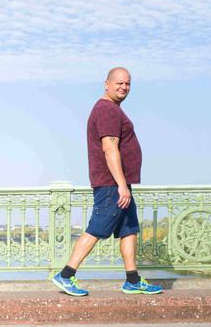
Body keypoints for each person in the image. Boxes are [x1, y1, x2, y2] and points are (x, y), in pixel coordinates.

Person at [51, 67, 162, 297]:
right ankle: (65, 275)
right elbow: (109, 148)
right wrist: (121, 185)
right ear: (106, 84)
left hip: (120, 184)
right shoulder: (107, 110)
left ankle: (132, 280)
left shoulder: (112, 109)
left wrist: (125, 185)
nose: (123, 87)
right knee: (96, 229)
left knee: (129, 229)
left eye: (128, 84)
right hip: (112, 184)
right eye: (119, 83)